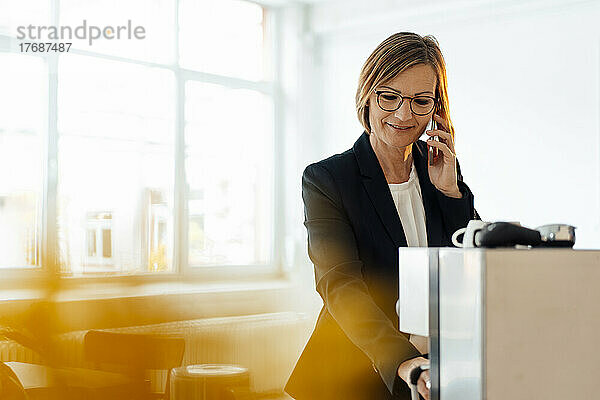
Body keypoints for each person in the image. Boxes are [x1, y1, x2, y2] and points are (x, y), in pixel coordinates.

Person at [284, 32, 479, 400]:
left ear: (436, 109)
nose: (404, 115)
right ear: (367, 95)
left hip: (432, 370)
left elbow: (466, 270)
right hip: (353, 372)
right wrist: (402, 360)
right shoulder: (327, 179)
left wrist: (450, 193)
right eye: (390, 97)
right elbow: (339, 285)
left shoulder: (441, 170)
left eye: (421, 101)